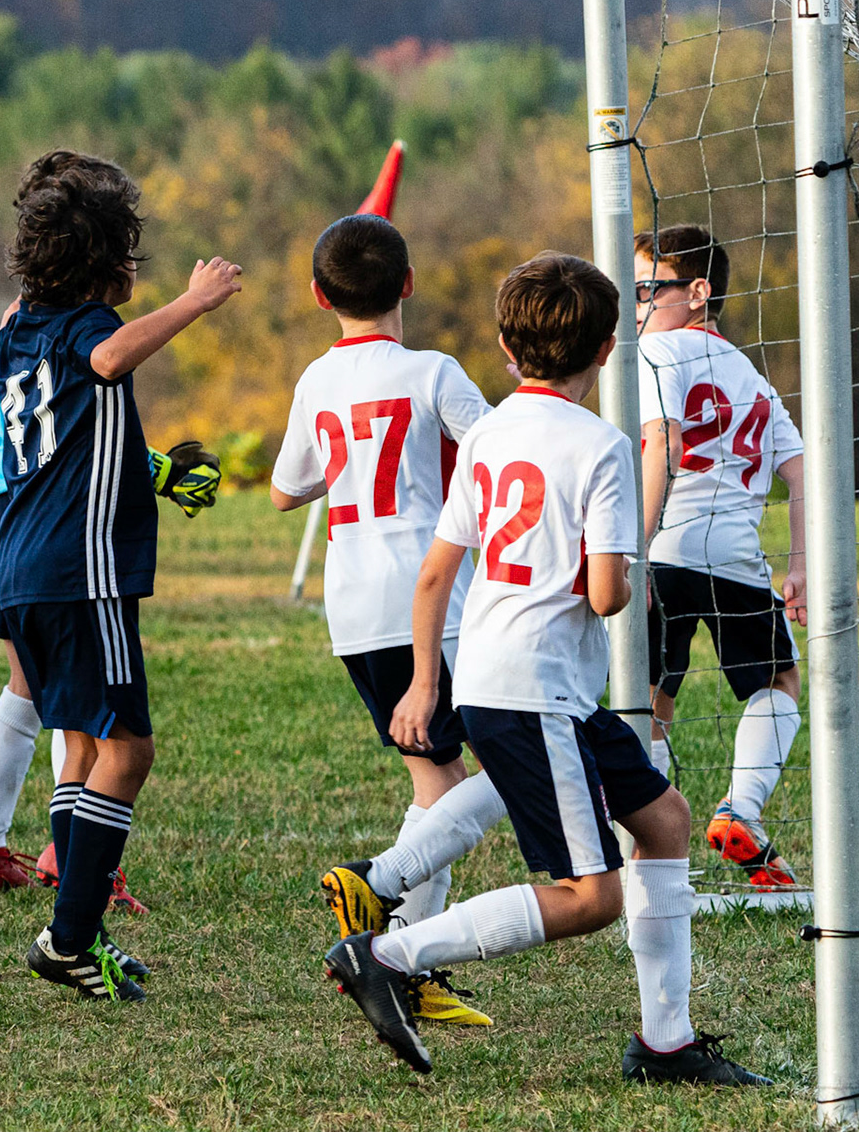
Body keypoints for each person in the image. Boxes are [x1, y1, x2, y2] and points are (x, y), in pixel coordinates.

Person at [322, 251, 768, 1086]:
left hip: (515, 680)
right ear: (608, 351)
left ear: (502, 344)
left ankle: (664, 1042)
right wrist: (625, 559)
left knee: (666, 822)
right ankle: (388, 954)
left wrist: (425, 682)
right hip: (535, 693)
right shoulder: (601, 447)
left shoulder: (488, 430)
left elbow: (436, 572)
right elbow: (605, 595)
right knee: (591, 896)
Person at [0, 149, 241, 1001]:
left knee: (83, 752)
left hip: (26, 562)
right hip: (83, 568)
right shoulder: (80, 332)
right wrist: (195, 300)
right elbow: (107, 362)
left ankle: (81, 926)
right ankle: (69, 938)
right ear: (111, 262)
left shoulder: (23, 332)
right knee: (128, 750)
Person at [268, 214, 497, 1028]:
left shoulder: (313, 381)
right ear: (407, 284)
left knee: (437, 779)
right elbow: (503, 447)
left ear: (319, 297)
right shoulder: (433, 370)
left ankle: (404, 954)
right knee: (500, 766)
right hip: (430, 600)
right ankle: (389, 911)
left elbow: (284, 488)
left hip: (354, 608)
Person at [0, 385, 221, 896]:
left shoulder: (23, 316)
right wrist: (161, 470)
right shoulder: (74, 323)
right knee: (79, 685)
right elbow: (78, 422)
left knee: (33, 681)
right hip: (40, 506)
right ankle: (74, 860)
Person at [635, 225, 807, 890]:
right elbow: (802, 473)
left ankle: (646, 853)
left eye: (653, 289)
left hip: (668, 548)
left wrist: (636, 550)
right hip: (734, 559)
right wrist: (798, 565)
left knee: (650, 696)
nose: (641, 306)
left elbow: (664, 446)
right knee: (779, 682)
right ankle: (743, 809)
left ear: (699, 292)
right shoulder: (753, 378)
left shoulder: (658, 353)